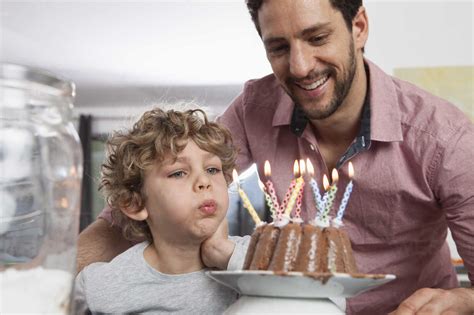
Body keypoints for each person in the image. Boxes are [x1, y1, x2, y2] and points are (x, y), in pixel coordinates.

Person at [77, 0, 474, 314]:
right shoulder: (255, 108)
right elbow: (134, 208)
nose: (300, 67)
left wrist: (466, 301)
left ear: (359, 27)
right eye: (279, 47)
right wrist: (43, 279)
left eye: (317, 38)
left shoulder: (446, 139)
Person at [74, 107, 248, 314]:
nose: (204, 181)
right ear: (135, 204)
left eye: (212, 169)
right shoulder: (97, 286)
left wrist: (221, 251)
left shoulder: (252, 255)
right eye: (178, 173)